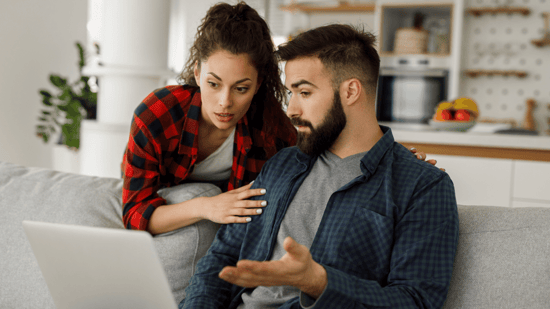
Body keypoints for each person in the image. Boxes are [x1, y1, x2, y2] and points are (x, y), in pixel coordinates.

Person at [180, 24, 459, 309]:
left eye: (304, 93)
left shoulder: (422, 186)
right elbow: (222, 256)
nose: (291, 109)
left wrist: (319, 282)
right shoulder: (282, 165)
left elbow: (416, 301)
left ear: (350, 91)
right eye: (291, 93)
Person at [121, 2, 434, 235]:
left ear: (258, 85)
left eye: (241, 88)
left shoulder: (268, 123)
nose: (225, 102)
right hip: (156, 193)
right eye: (213, 84)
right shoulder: (159, 113)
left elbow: (324, 149)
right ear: (198, 73)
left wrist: (390, 156)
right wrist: (206, 206)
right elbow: (136, 212)